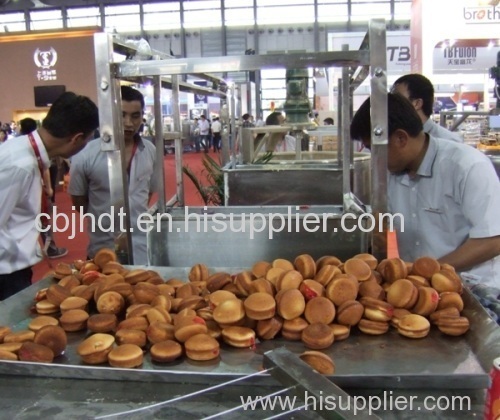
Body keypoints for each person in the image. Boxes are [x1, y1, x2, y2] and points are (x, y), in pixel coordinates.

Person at [350, 92, 500, 288]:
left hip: (472, 288)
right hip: (417, 288)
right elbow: (383, 228)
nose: (374, 159)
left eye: (374, 149)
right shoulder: (390, 173)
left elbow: (492, 240)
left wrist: (428, 271)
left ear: (401, 139)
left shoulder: (466, 166)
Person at [0, 92, 99, 300]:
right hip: (5, 277)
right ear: (76, 139)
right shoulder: (19, 166)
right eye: (88, 140)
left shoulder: (25, 153)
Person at [69, 85, 159, 265]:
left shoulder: (149, 150)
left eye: (135, 116)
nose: (129, 123)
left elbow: (147, 193)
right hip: (102, 248)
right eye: (122, 115)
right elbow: (79, 202)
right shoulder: (85, 154)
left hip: (141, 246)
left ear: (143, 116)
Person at [18, 117, 67, 259]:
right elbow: (45, 168)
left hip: (27, 193)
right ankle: (50, 248)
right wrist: (49, 189)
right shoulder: (36, 146)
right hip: (37, 192)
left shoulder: (20, 145)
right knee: (42, 220)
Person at [391, 74, 463, 143]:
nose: (393, 105)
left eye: (398, 99)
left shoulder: (449, 142)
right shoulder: (395, 139)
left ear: (417, 104)